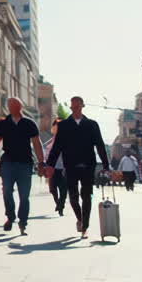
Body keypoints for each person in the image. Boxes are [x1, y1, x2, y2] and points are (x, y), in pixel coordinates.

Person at [44, 96, 110, 238]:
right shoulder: (64, 126)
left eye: (78, 106)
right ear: (71, 108)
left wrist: (106, 165)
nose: (75, 109)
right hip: (70, 166)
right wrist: (50, 165)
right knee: (73, 197)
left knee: (86, 196)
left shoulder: (92, 125)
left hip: (88, 165)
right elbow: (56, 147)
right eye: (73, 107)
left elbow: (100, 145)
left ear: (82, 106)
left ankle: (85, 226)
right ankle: (80, 219)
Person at [0, 97, 45, 235]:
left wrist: (41, 162)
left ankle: (23, 222)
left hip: (25, 163)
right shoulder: (3, 123)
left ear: (20, 107)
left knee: (24, 195)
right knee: (7, 191)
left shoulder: (29, 123)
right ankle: (10, 216)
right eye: (10, 105)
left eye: (15, 105)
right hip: (8, 162)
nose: (12, 108)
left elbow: (37, 143)